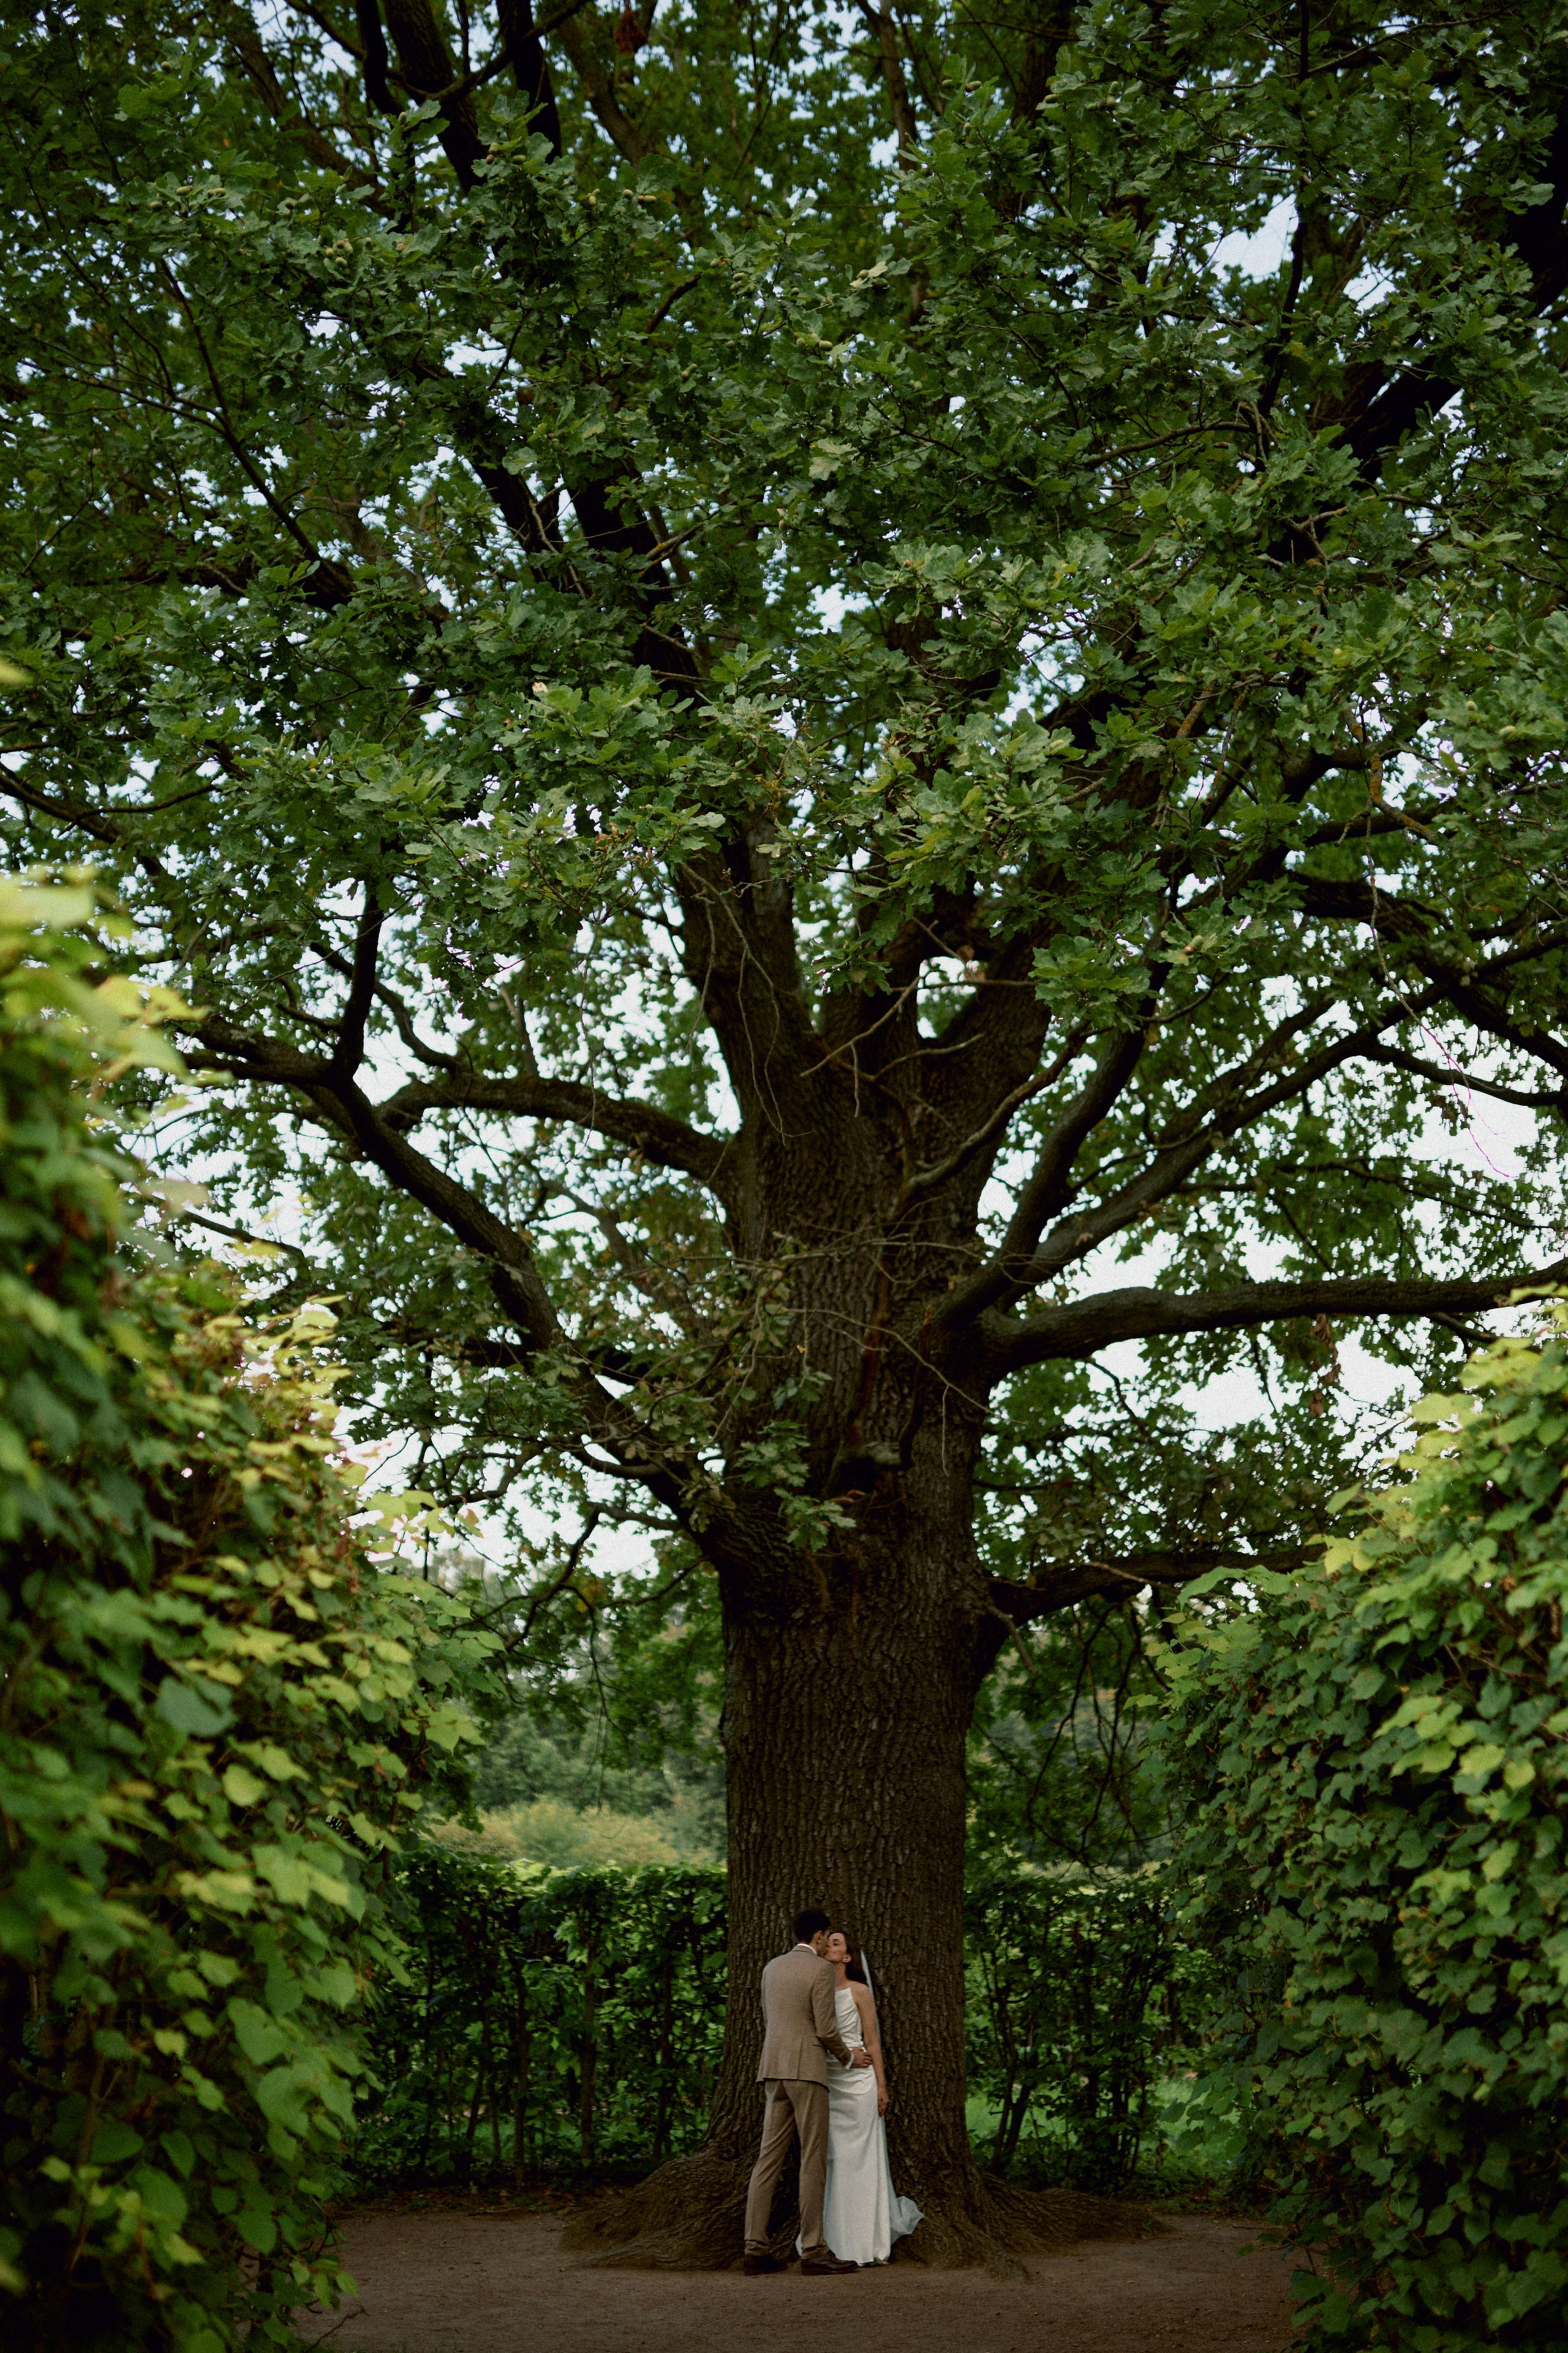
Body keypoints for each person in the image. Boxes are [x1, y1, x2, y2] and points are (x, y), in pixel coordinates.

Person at [742, 1905, 875, 2276]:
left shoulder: (771, 1968)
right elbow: (826, 2030)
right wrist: (849, 2058)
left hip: (773, 2069)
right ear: (818, 1937)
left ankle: (754, 2247)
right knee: (812, 2157)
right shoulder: (818, 1969)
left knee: (768, 2158)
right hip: (808, 2071)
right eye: (824, 1938)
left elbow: (773, 2021)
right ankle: (814, 2249)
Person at [803, 1928, 923, 2267]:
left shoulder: (859, 1991)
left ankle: (865, 2239)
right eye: (827, 1941)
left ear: (848, 1957)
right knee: (833, 2159)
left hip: (859, 2084)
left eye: (837, 1943)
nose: (830, 1945)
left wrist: (882, 2086)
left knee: (861, 2161)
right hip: (827, 2081)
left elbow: (872, 2042)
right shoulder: (815, 1989)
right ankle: (831, 2238)